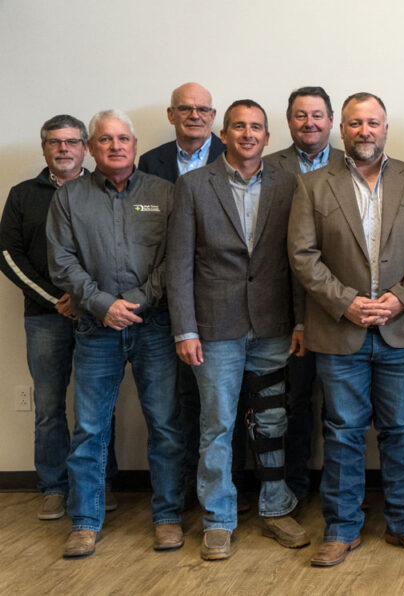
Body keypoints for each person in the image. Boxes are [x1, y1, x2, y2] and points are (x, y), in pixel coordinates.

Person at [288, 92, 404, 567]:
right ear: (342, 130)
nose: (364, 132)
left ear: (386, 128)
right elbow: (302, 255)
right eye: (355, 124)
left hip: (402, 329)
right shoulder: (313, 185)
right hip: (340, 331)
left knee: (400, 429)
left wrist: (400, 299)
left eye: (372, 123)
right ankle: (341, 528)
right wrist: (346, 303)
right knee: (342, 431)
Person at [167, 99, 309, 560]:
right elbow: (179, 264)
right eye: (239, 127)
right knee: (217, 424)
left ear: (268, 138)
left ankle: (275, 507)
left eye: (257, 128)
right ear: (223, 135)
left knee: (272, 421)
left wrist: (301, 319)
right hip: (215, 329)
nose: (248, 134)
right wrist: (185, 329)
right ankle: (219, 518)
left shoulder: (290, 185)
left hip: (273, 326)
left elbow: (299, 262)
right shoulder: (192, 186)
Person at [47, 109, 184, 558]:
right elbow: (62, 263)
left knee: (164, 425)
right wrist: (104, 305)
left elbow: (176, 260)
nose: (115, 146)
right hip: (94, 327)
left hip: (154, 326)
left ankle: (167, 517)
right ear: (90, 148)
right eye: (105, 139)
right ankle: (85, 522)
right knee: (89, 427)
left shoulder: (164, 193)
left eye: (123, 138)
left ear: (136, 144)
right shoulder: (69, 199)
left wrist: (137, 301)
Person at [1, 114, 122, 520]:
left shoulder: (104, 187)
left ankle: (101, 483)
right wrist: (56, 299)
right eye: (55, 142)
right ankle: (53, 486)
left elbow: (114, 250)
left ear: (85, 147)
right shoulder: (22, 195)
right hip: (46, 319)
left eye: (72, 141)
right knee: (50, 405)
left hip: (98, 315)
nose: (64, 149)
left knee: (99, 406)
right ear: (44, 148)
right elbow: (8, 256)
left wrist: (91, 300)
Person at [138, 82, 233, 509]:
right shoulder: (151, 162)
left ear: (214, 118)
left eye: (203, 109)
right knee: (177, 403)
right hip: (164, 303)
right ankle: (185, 495)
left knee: (223, 407)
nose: (195, 115)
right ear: (170, 114)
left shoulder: (231, 157)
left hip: (221, 305)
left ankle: (228, 491)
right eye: (185, 108)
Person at [264, 86, 343, 505]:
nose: (309, 123)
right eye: (300, 115)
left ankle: (340, 492)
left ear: (332, 121)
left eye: (317, 115)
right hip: (283, 307)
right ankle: (292, 489)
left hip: (339, 309)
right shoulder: (269, 167)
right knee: (291, 402)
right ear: (289, 121)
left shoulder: (356, 166)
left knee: (340, 408)